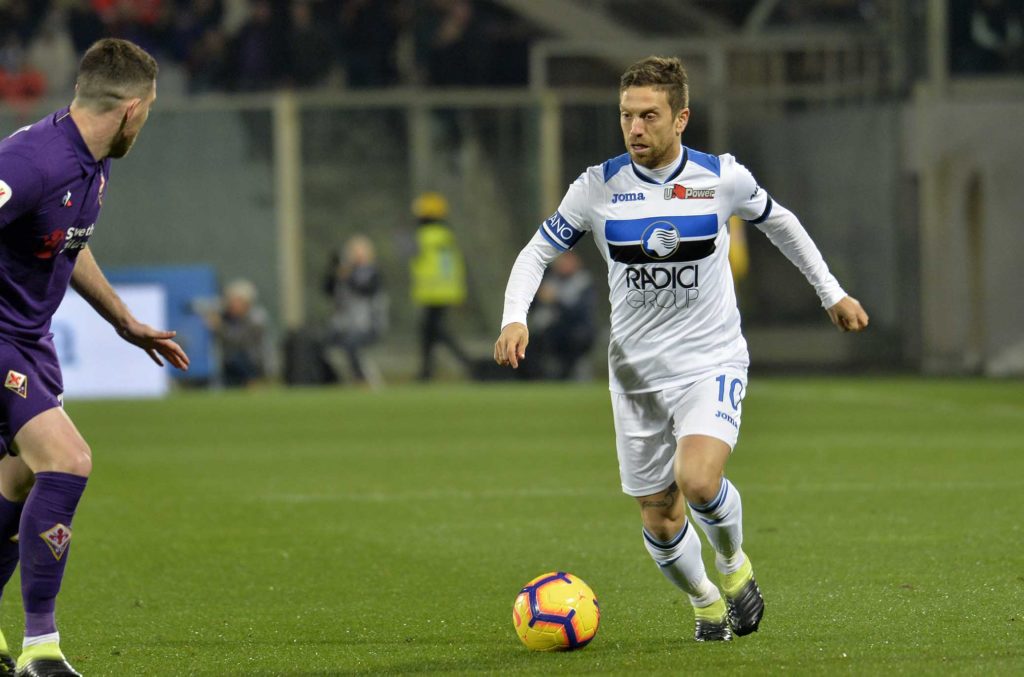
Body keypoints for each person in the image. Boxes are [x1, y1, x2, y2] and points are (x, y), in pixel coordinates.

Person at [494, 56, 868, 643]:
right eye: (626, 115)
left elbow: (781, 223)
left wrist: (832, 292)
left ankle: (733, 564)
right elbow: (536, 251)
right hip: (635, 378)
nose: (635, 128)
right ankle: (705, 602)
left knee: (697, 480)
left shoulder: (721, 178)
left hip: (710, 361)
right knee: (660, 516)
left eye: (649, 115)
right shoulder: (596, 187)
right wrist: (514, 317)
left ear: (681, 118)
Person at [0, 38, 188, 676]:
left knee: (18, 480)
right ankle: (41, 648)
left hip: (30, 337)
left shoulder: (91, 161)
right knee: (68, 460)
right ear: (132, 109)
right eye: (149, 112)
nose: (146, 123)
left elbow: (67, 244)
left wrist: (123, 321)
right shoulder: (32, 161)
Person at [409, 192, 473, 381]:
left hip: (431, 292)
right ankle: (427, 371)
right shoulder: (447, 236)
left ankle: (466, 363)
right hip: (447, 290)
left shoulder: (423, 236)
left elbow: (410, 255)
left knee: (434, 331)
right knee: (430, 331)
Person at [323, 235, 387, 387]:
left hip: (369, 326)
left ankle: (361, 379)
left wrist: (348, 276)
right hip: (345, 325)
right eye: (354, 252)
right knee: (323, 343)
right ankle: (330, 380)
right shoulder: (345, 274)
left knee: (351, 344)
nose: (357, 256)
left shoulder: (373, 273)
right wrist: (333, 272)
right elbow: (328, 290)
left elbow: (364, 289)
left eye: (360, 252)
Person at [522, 250, 596, 381]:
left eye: (567, 261)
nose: (563, 264)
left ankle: (569, 374)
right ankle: (536, 378)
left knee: (574, 340)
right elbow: (533, 306)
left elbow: (580, 313)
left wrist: (556, 300)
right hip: (551, 330)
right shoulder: (549, 279)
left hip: (576, 330)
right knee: (530, 343)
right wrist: (537, 296)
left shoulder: (583, 282)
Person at [202, 278, 268, 388]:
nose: (232, 304)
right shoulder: (227, 317)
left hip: (251, 364)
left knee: (237, 358)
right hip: (229, 366)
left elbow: (239, 340)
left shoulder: (256, 319)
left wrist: (219, 327)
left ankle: (253, 382)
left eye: (236, 301)